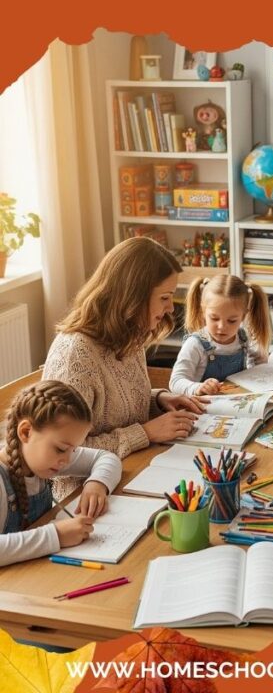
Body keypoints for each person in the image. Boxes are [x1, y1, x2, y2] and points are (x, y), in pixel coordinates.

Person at [43, 238, 203, 497]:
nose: (170, 308)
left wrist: (159, 400)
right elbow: (63, 454)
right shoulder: (76, 355)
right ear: (133, 297)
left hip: (134, 469)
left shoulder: (130, 334)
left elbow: (114, 405)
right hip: (83, 495)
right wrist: (146, 433)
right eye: (164, 297)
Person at [0, 380, 122, 567]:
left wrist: (97, 484)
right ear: (25, 432)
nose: (68, 460)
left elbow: (107, 458)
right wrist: (55, 535)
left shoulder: (43, 459)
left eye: (73, 450)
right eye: (61, 449)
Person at [170, 275, 270, 396]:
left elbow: (258, 363)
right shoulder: (195, 344)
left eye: (232, 321)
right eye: (214, 318)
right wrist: (197, 388)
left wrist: (261, 364)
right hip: (202, 407)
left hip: (235, 401)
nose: (222, 326)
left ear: (243, 316)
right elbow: (175, 382)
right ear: (203, 311)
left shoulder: (243, 338)